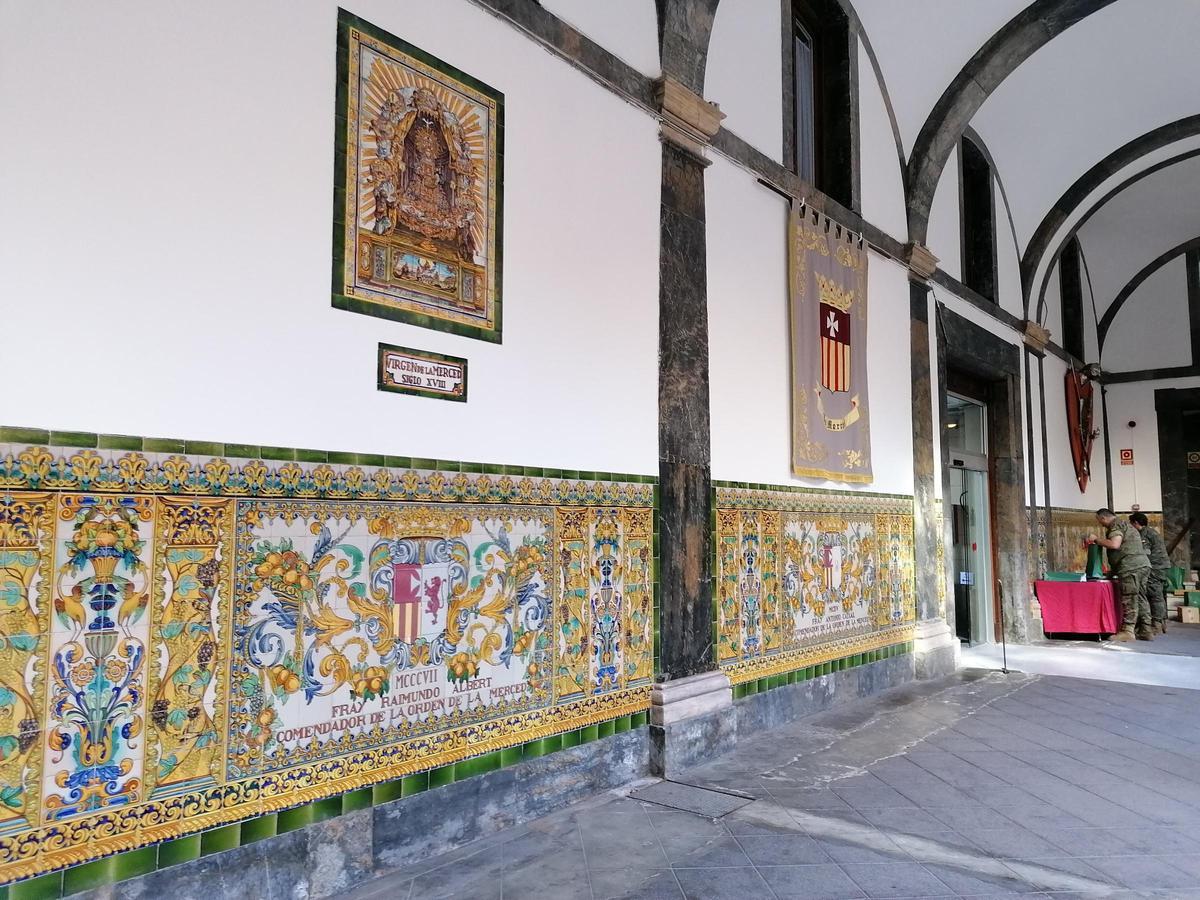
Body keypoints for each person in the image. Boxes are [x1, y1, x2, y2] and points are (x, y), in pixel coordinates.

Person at [1088, 508, 1153, 641]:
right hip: (1142, 565)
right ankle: (1146, 629)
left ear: (1103, 518)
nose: (1100, 524)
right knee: (1140, 596)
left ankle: (1128, 631)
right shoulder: (1126, 524)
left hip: (1130, 568)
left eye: (1099, 521)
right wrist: (1112, 573)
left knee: (1129, 598)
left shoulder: (1116, 525)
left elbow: (1114, 544)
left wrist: (1096, 540)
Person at [1130, 512, 1169, 634]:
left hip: (1154, 567)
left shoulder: (1144, 535)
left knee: (1154, 594)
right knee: (1157, 595)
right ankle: (1160, 623)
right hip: (1159, 566)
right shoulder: (1150, 532)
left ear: (1136, 523)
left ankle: (1156, 624)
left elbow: (1145, 553)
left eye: (1131, 524)